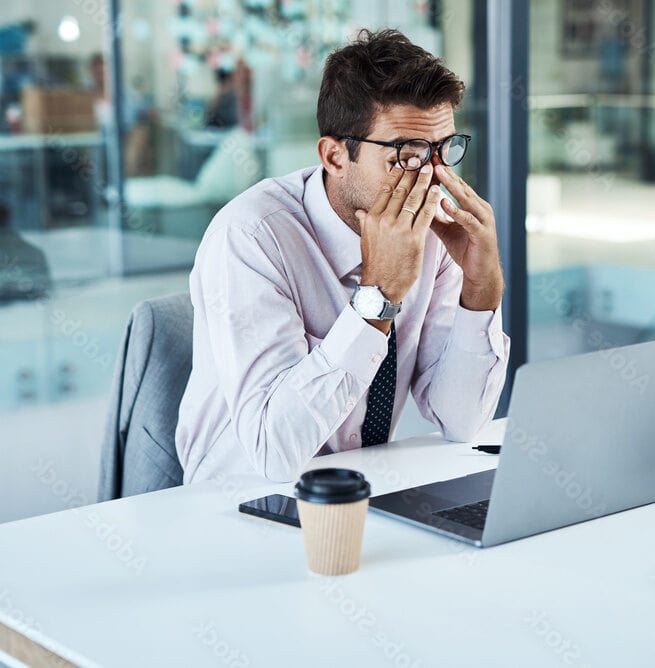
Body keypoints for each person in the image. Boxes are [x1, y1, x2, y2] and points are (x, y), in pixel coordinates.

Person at [175, 30, 509, 483]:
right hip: (240, 500)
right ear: (334, 156)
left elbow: (461, 419)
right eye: (405, 155)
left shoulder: (432, 236)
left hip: (360, 491)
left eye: (442, 151)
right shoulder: (251, 236)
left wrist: (481, 288)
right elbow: (274, 453)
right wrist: (379, 296)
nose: (432, 177)